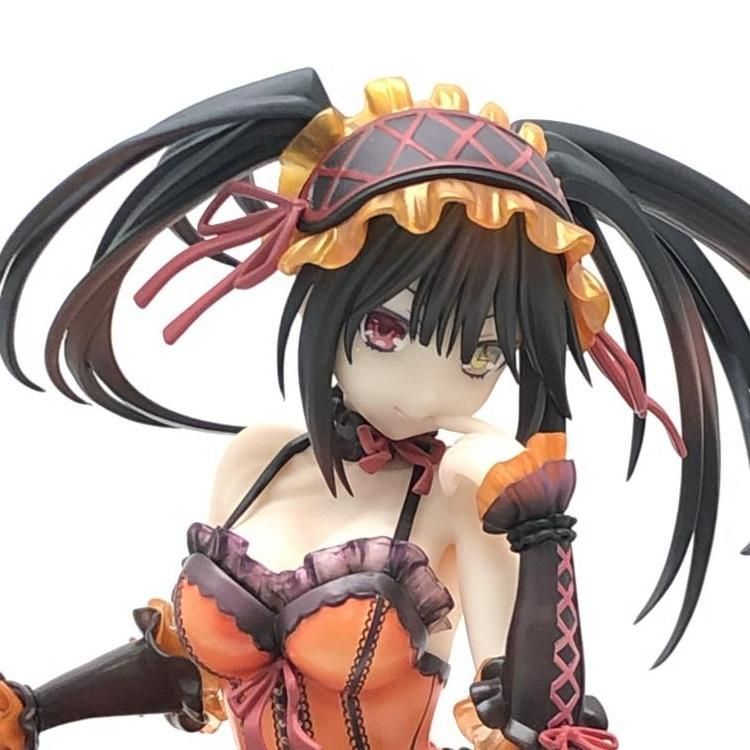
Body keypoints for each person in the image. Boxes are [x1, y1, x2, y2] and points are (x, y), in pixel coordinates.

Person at [0, 69, 748, 750]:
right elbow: (194, 670)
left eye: (483, 355)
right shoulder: (259, 459)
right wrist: (35, 709)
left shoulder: (460, 499)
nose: (424, 392)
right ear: (325, 297)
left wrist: (541, 525)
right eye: (386, 329)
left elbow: (536, 727)